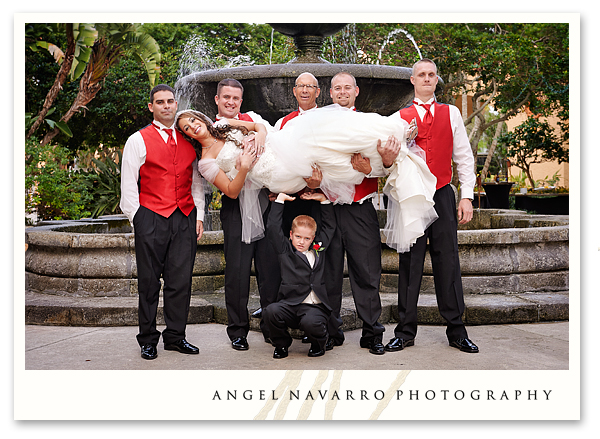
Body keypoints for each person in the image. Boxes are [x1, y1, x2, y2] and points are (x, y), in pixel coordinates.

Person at [380, 58, 480, 354]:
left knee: (447, 261)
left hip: (442, 193)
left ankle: (457, 331)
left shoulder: (451, 113)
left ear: (437, 80)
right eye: (421, 75)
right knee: (409, 263)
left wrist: (467, 195)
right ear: (412, 80)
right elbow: (389, 162)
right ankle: (405, 331)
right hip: (411, 196)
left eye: (431, 74)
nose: (426, 78)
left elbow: (464, 156)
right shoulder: (399, 116)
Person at [120, 84, 205, 360]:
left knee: (180, 281)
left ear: (176, 104)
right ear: (151, 107)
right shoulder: (137, 140)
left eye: (170, 101)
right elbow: (128, 186)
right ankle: (147, 339)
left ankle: (175, 337)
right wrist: (139, 219)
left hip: (184, 217)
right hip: (152, 217)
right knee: (148, 282)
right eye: (160, 102)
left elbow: (196, 182)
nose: (166, 106)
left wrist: (199, 215)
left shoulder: (189, 139)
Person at [323, 72, 386, 355]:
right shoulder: (319, 123)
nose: (343, 91)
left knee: (367, 271)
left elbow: (389, 165)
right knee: (328, 272)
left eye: (348, 87)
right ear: (331, 93)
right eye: (338, 88)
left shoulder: (370, 123)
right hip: (326, 208)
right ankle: (330, 331)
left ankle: (372, 332)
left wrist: (369, 170)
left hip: (360, 208)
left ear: (356, 91)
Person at [263, 192, 335, 359]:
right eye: (298, 237)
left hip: (314, 307)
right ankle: (281, 345)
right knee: (270, 311)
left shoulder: (318, 249)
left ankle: (319, 342)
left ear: (313, 239)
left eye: (306, 238)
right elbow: (273, 227)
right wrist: (280, 200)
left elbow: (330, 227)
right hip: (290, 305)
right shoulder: (285, 251)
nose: (301, 242)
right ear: (290, 235)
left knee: (311, 322)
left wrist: (324, 201)